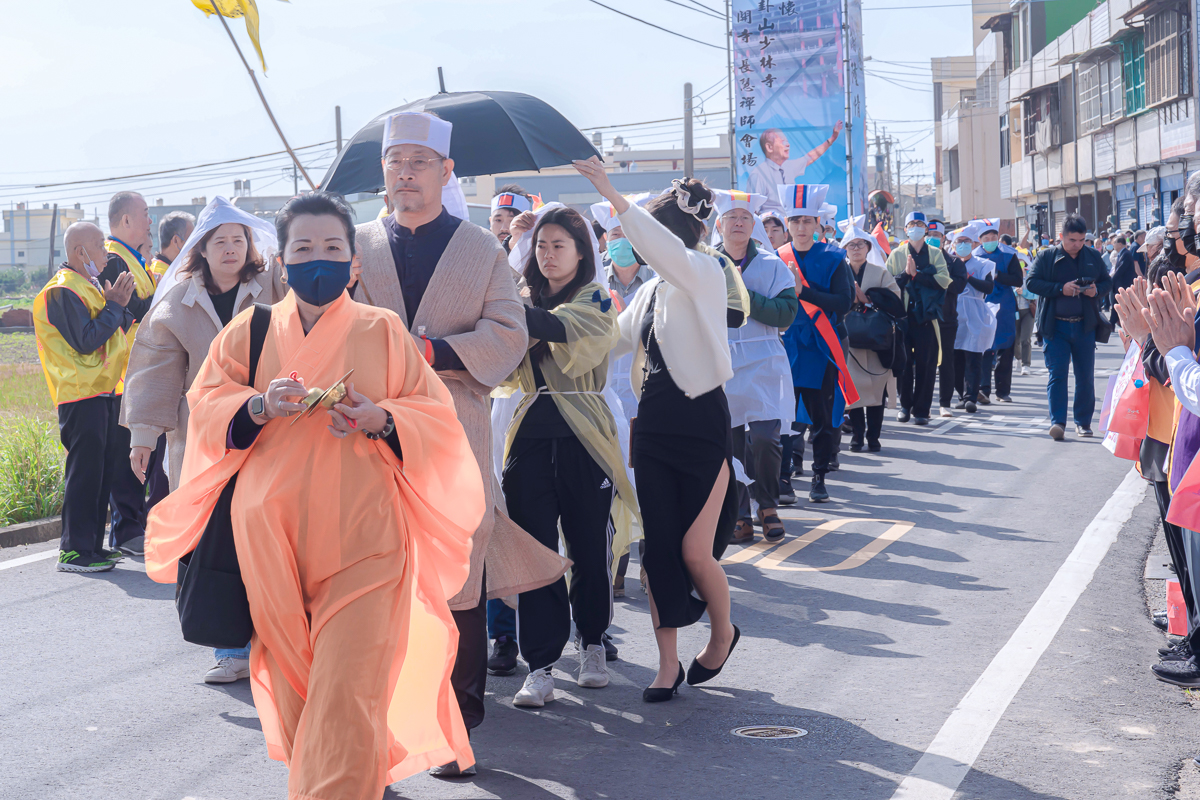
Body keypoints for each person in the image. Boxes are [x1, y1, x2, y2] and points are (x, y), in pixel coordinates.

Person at [144, 191, 483, 797]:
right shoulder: (249, 333)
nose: (318, 260)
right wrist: (256, 404)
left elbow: (437, 421)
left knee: (347, 693)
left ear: (354, 262)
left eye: (333, 248)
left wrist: (381, 418)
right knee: (305, 696)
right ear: (283, 262)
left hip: (367, 545)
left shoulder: (384, 331)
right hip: (271, 545)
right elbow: (202, 409)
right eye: (303, 248)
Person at [351, 111, 567, 777]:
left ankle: (453, 726)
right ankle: (376, 727)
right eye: (397, 162)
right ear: (384, 172)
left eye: (421, 161)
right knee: (374, 583)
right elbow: (296, 339)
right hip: (363, 440)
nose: (407, 172)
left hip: (452, 435)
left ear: (447, 173)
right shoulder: (353, 245)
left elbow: (507, 334)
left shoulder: (482, 250)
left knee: (455, 583)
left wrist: (433, 349)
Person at [575, 157, 741, 704]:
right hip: (654, 427)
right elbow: (609, 343)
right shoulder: (647, 293)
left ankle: (721, 635)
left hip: (701, 420)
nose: (642, 244)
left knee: (696, 551)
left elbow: (668, 253)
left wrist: (613, 195)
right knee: (659, 552)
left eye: (652, 231)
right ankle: (666, 664)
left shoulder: (707, 270)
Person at [120, 197, 288, 685]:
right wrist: (144, 438)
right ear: (202, 249)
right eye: (222, 242)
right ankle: (230, 648)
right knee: (215, 542)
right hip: (203, 439)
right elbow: (155, 371)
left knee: (273, 536)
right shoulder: (176, 303)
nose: (232, 249)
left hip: (273, 432)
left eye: (239, 240)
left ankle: (278, 642)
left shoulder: (273, 287)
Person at [497, 206, 637, 706]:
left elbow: (569, 333)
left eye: (559, 245)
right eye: (541, 245)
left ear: (582, 252)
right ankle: (540, 666)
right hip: (531, 429)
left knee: (587, 548)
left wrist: (503, 310)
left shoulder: (596, 298)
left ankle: (593, 641)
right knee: (534, 553)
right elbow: (501, 362)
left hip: (586, 432)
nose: (548, 254)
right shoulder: (519, 300)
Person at [32, 222, 135, 573]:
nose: (106, 253)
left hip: (103, 390)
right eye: (99, 246)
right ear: (80, 252)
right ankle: (73, 550)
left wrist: (119, 307)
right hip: (79, 395)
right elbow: (86, 339)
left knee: (102, 472)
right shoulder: (61, 291)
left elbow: (112, 334)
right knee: (84, 473)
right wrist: (115, 305)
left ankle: (92, 547)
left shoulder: (87, 286)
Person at [713, 189, 797, 543]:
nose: (738, 223)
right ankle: (740, 513)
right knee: (728, 444)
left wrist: (744, 297)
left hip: (762, 359)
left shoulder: (771, 264)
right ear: (718, 224)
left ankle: (768, 503)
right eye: (731, 217)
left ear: (754, 225)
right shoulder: (706, 264)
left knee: (764, 437)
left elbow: (787, 313)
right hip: (720, 360)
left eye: (745, 218)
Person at [777, 184, 856, 502]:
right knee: (783, 416)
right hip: (785, 346)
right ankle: (783, 478)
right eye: (794, 221)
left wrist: (803, 293)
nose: (800, 227)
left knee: (822, 417)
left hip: (822, 346)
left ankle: (819, 477)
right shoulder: (776, 257)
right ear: (788, 225)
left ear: (817, 224)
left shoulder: (835, 257)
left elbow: (843, 302)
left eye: (806, 221)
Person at [100, 191, 158, 555]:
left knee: (139, 451)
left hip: (142, 368)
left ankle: (132, 525)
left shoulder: (132, 259)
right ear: (125, 221)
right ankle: (125, 530)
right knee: (126, 453)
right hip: (123, 373)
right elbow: (135, 308)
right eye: (145, 214)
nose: (149, 220)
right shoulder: (112, 260)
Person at [1026, 213, 1112, 439]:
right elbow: (1031, 282)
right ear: (1061, 237)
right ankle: (1058, 423)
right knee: (1057, 375)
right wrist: (1059, 288)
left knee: (1085, 377)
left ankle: (1083, 422)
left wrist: (1097, 290)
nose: (1077, 245)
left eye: (1082, 240)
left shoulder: (1093, 256)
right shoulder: (1046, 257)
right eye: (1072, 240)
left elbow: (1107, 282)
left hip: (1085, 326)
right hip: (1055, 327)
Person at [138, 210, 197, 509]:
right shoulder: (166, 277)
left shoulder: (164, 273)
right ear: (178, 240)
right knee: (163, 478)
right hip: (160, 388)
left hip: (159, 389)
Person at [886, 211, 951, 425]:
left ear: (926, 229)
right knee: (903, 364)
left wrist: (919, 275)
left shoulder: (935, 253)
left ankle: (922, 409)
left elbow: (944, 279)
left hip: (926, 318)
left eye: (920, 224)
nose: (915, 228)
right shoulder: (896, 254)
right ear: (905, 229)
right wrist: (906, 274)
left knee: (927, 363)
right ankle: (905, 405)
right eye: (911, 224)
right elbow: (888, 284)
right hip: (903, 319)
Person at [841, 224, 902, 451]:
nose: (856, 249)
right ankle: (857, 435)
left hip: (877, 339)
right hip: (849, 338)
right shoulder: (840, 271)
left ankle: (874, 436)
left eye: (860, 244)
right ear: (845, 249)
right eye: (851, 245)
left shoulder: (880, 272)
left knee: (877, 389)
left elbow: (895, 300)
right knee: (854, 389)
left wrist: (868, 300)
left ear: (868, 247)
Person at [975, 221, 1024, 404]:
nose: (990, 241)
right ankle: (983, 389)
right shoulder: (974, 256)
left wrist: (998, 276)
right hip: (983, 305)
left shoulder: (1009, 255)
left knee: (1005, 346)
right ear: (980, 240)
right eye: (986, 239)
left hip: (1004, 306)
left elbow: (1018, 279)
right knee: (985, 348)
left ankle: (1003, 391)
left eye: (993, 238)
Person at [951, 224, 997, 413]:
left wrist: (967, 277)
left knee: (973, 356)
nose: (962, 245)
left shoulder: (983, 264)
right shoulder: (949, 264)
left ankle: (972, 395)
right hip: (954, 312)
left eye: (966, 242)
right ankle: (961, 394)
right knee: (956, 357)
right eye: (959, 242)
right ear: (953, 245)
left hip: (975, 311)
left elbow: (988, 288)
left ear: (973, 243)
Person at [749, 124, 844, 215]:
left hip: (791, 227)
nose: (788, 145)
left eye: (787, 141)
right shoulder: (758, 174)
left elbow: (809, 157)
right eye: (783, 141)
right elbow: (752, 210)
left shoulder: (788, 167)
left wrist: (832, 139)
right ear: (769, 147)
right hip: (771, 228)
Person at [934, 220, 969, 417]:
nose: (932, 240)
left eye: (937, 237)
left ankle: (944, 402)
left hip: (947, 319)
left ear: (943, 239)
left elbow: (957, 287)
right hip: (921, 319)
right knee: (924, 361)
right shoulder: (912, 260)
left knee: (946, 361)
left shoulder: (955, 263)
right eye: (929, 237)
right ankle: (916, 405)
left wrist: (936, 275)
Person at [146, 211, 195, 282]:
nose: (194, 245)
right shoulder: (159, 275)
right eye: (191, 239)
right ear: (176, 240)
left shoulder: (170, 269)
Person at [490, 184, 535, 249]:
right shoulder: (480, 252)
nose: (504, 228)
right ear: (490, 221)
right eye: (498, 220)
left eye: (512, 221)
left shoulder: (534, 254)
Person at [1109, 232, 1138, 326]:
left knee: (1119, 303)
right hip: (1120, 284)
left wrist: (1111, 280)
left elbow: (1120, 269)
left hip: (1124, 284)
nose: (1113, 245)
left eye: (1114, 243)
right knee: (1117, 303)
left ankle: (1112, 323)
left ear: (1120, 244)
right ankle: (1114, 322)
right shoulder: (1120, 254)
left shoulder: (1126, 254)